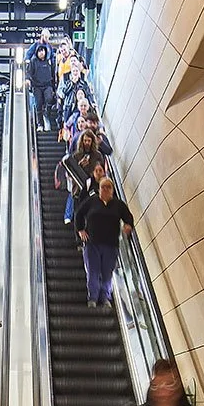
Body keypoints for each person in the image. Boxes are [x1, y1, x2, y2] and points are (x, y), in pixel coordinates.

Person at [73, 177, 133, 307]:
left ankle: (105, 297)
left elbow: (128, 216)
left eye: (108, 187)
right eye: (103, 187)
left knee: (107, 273)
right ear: (99, 189)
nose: (105, 189)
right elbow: (79, 213)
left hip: (111, 245)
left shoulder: (118, 204)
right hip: (92, 243)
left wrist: (128, 225)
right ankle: (93, 298)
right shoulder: (92, 201)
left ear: (112, 190)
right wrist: (80, 230)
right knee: (93, 271)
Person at [56, 129, 107, 226]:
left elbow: (101, 172)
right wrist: (79, 166)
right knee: (78, 214)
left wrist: (92, 168)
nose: (87, 143)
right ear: (81, 141)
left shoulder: (97, 155)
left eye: (89, 141)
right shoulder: (76, 155)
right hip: (78, 190)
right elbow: (70, 173)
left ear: (92, 141)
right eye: (85, 140)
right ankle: (79, 232)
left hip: (93, 189)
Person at [26, 42, 59, 133]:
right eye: (39, 51)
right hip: (37, 86)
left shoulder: (49, 61)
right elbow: (28, 72)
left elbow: (53, 74)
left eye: (43, 50)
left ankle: (46, 114)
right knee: (38, 104)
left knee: (49, 99)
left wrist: (54, 86)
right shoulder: (33, 62)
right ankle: (40, 124)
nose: (41, 52)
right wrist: (28, 79)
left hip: (48, 85)